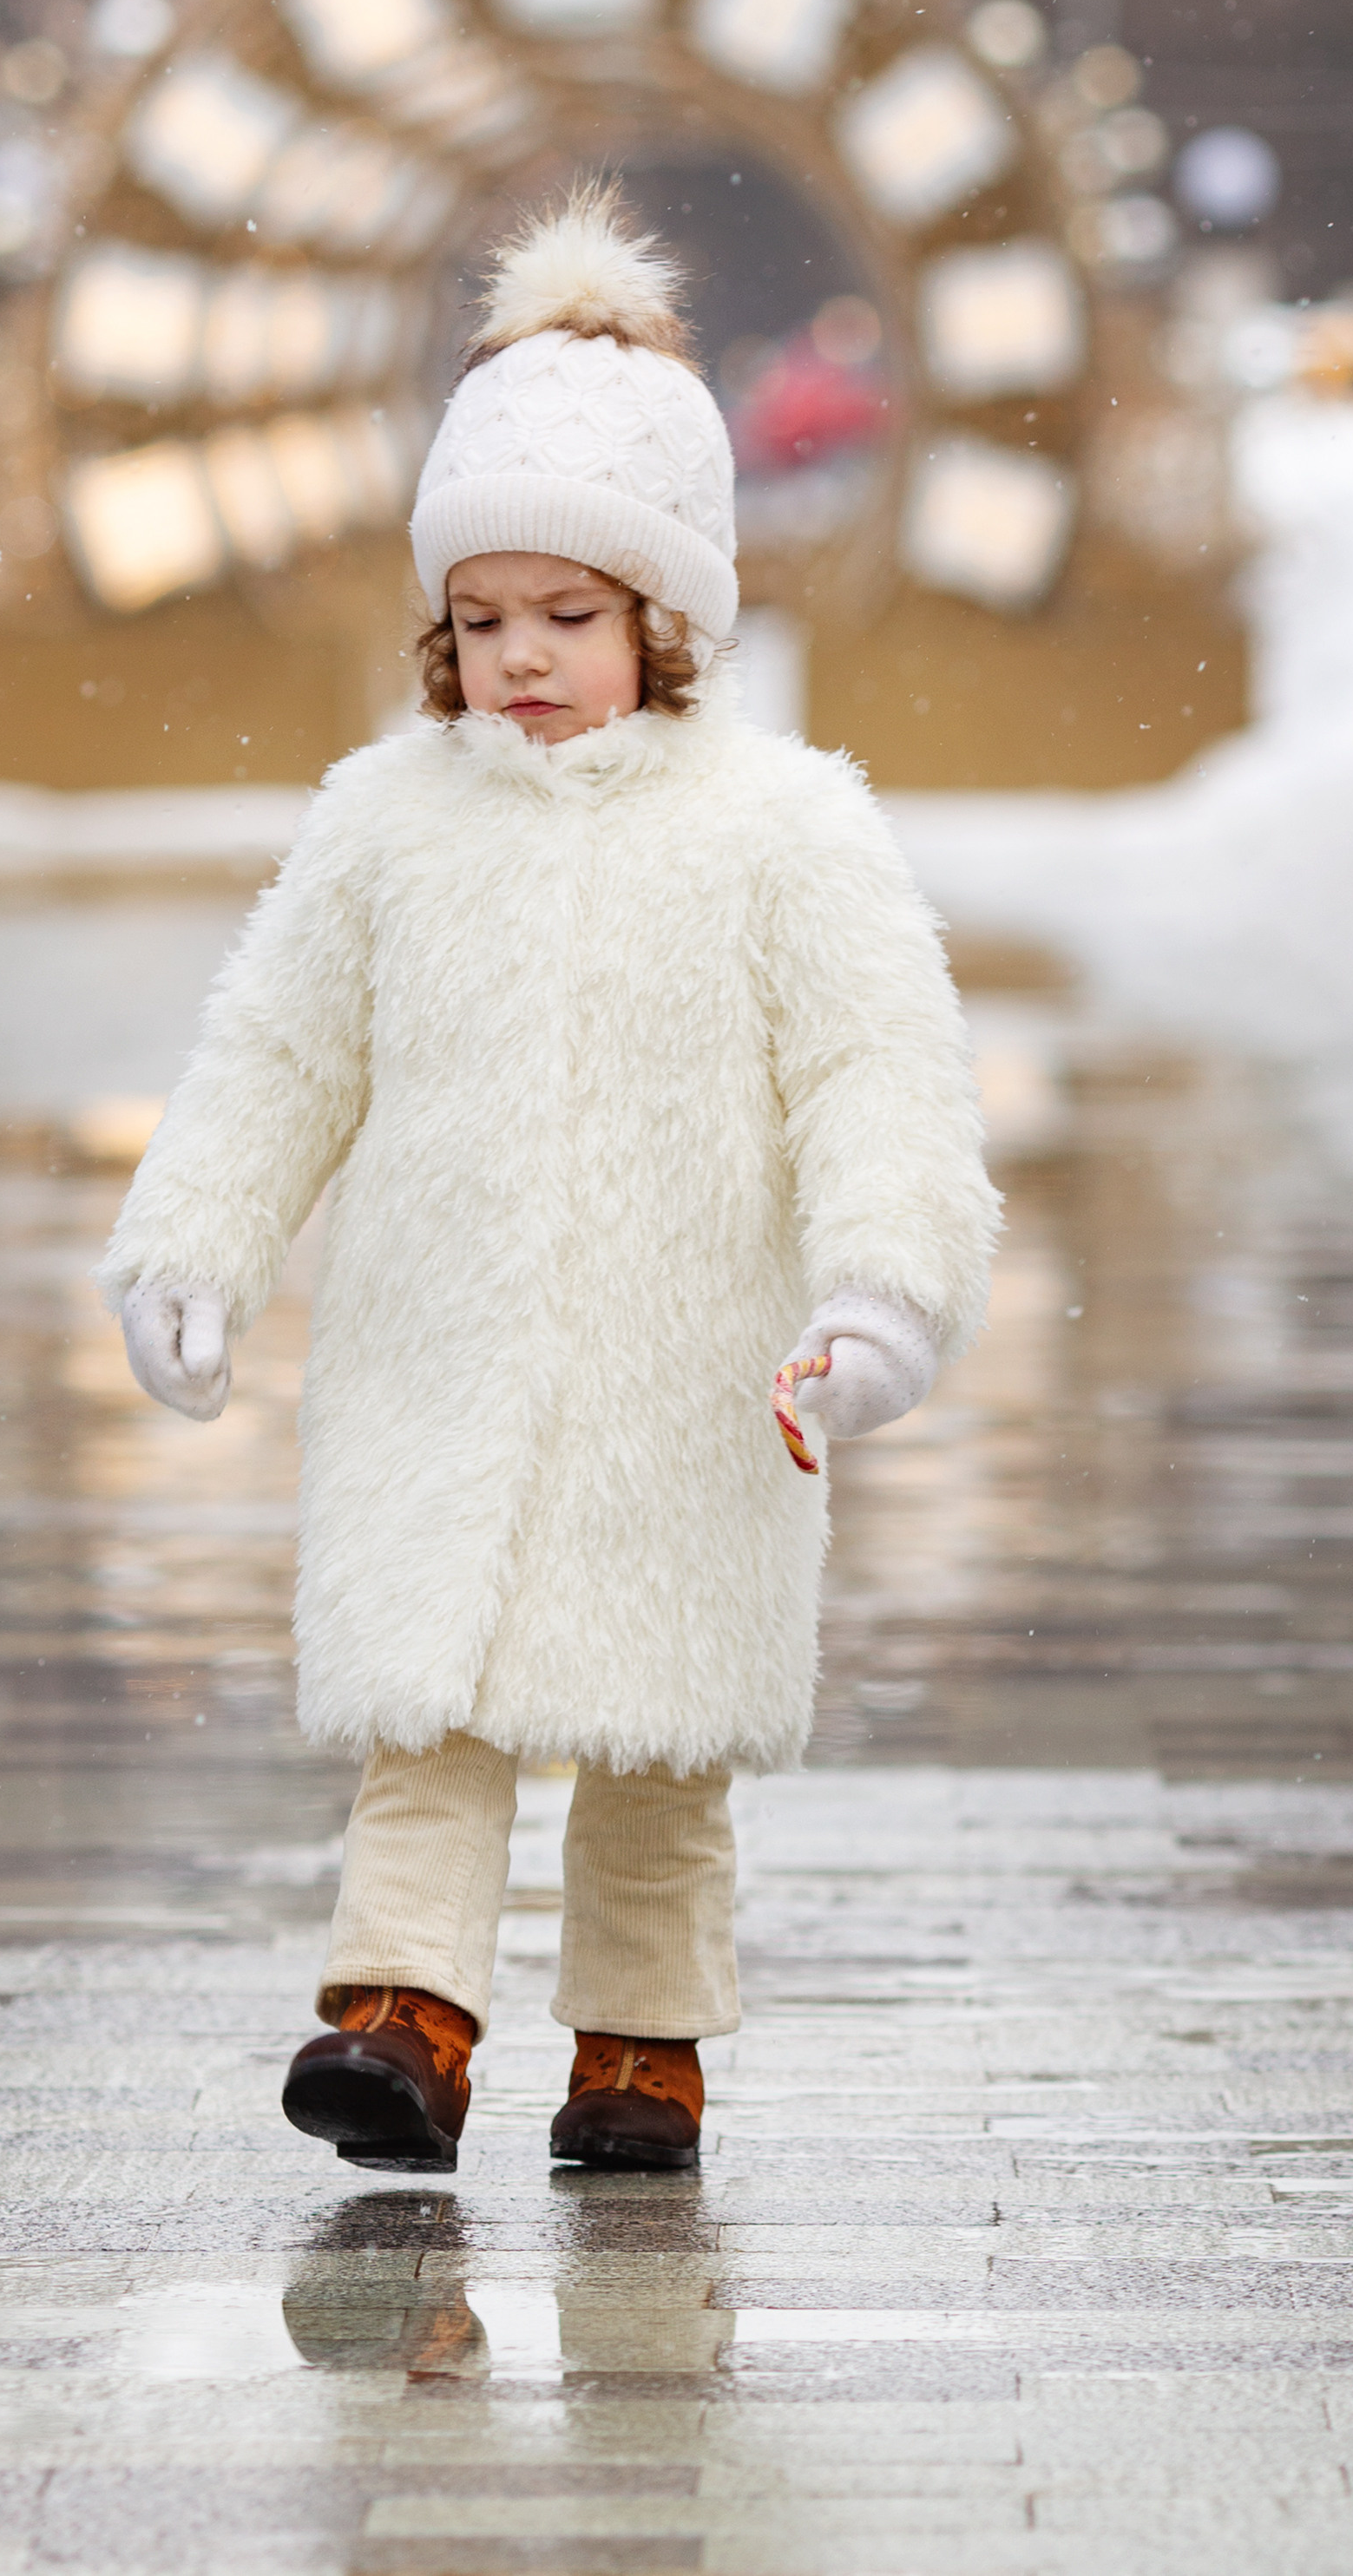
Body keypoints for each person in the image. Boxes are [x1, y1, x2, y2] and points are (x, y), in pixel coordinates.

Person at [102, 185, 998, 2175]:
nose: (519, 659)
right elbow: (281, 1048)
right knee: (429, 1714)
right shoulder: (384, 825)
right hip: (439, 1348)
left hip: (696, 1374)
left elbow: (878, 1071)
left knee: (660, 1746)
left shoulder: (784, 832)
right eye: (481, 621)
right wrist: (195, 1244)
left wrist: (878, 1291)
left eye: (567, 621)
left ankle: (639, 2049)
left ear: (668, 620)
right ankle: (401, 2020)